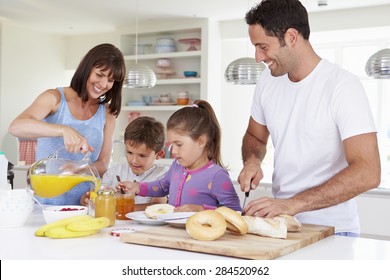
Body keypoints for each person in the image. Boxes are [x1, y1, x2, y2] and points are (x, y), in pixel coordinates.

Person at [238, 0, 381, 236]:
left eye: (263, 46)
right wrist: (252, 161)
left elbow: (368, 172)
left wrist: (293, 204)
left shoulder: (343, 86)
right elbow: (255, 135)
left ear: (292, 37)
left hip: (334, 230)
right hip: (282, 225)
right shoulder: (267, 81)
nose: (257, 57)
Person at [8, 43, 126, 205]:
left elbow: (104, 163)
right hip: (45, 204)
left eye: (111, 80)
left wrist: (80, 168)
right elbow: (16, 127)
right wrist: (63, 130)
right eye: (99, 74)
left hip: (85, 204)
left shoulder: (107, 112)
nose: (104, 84)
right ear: (87, 69)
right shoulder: (55, 98)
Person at [118, 100, 242, 212]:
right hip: (172, 232)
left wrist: (201, 209)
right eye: (172, 145)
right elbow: (162, 186)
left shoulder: (217, 175)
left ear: (201, 142)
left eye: (178, 144)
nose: (174, 151)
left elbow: (235, 211)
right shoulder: (177, 165)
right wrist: (137, 187)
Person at [81, 116, 169, 210]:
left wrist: (120, 207)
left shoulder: (162, 175)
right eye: (129, 153)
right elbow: (99, 195)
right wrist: (87, 200)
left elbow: (157, 207)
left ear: (159, 154)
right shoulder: (115, 171)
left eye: (142, 155)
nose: (134, 160)